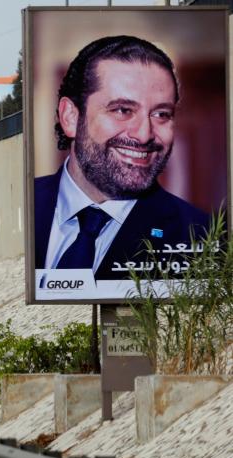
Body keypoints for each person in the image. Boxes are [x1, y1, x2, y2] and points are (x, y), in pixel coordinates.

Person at [34, 35, 209, 280]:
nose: (144, 134)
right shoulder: (23, 208)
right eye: (123, 110)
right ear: (70, 117)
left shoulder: (202, 237)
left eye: (161, 114)